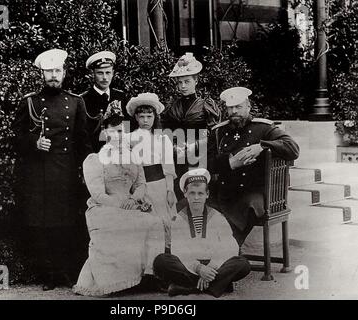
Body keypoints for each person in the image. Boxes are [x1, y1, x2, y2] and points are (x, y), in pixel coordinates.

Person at [13, 49, 92, 291]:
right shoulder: (30, 102)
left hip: (66, 171)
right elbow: (15, 137)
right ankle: (48, 273)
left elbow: (83, 140)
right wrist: (33, 143)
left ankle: (64, 272)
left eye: (58, 71)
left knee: (66, 222)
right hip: (39, 172)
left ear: (65, 73)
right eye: (49, 71)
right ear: (42, 74)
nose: (53, 76)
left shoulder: (76, 102)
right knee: (42, 224)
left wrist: (87, 170)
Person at [73, 103, 163, 297]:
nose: (120, 136)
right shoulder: (95, 159)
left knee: (154, 221)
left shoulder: (133, 157)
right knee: (123, 222)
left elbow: (141, 184)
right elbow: (97, 194)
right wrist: (121, 204)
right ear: (105, 133)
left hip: (131, 204)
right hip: (104, 207)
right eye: (115, 132)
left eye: (123, 132)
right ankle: (115, 281)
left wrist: (133, 199)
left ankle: (148, 276)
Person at [208, 87, 300, 247]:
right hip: (224, 190)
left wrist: (262, 146)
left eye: (238, 107)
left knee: (250, 205)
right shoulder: (218, 132)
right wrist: (230, 163)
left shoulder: (263, 128)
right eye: (230, 108)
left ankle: (228, 248)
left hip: (254, 191)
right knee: (198, 205)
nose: (234, 111)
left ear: (248, 107)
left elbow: (292, 148)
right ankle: (215, 251)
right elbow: (205, 162)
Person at [153, 168, 251, 298]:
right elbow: (178, 249)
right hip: (189, 266)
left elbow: (230, 246)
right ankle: (217, 285)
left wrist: (211, 268)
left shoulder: (217, 217)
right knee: (161, 261)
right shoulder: (178, 219)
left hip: (214, 266)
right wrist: (199, 268)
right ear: (185, 194)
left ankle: (187, 288)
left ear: (207, 194)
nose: (196, 198)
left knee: (243, 264)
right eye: (192, 193)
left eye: (200, 193)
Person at [161, 52, 220, 200]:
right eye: (179, 82)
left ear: (196, 81)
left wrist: (195, 146)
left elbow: (215, 134)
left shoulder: (206, 105)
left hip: (200, 157)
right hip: (176, 157)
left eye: (187, 81)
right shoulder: (172, 106)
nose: (182, 86)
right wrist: (174, 147)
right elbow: (165, 132)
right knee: (178, 193)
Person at [126, 92, 177, 254]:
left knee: (165, 222)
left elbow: (168, 167)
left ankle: (166, 260)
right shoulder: (129, 138)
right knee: (145, 223)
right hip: (140, 187)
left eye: (149, 116)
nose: (146, 120)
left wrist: (170, 190)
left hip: (160, 185)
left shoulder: (162, 138)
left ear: (155, 116)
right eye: (142, 116)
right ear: (136, 117)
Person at [80, 50, 130, 153]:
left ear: (113, 73)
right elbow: (82, 135)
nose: (104, 78)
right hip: (94, 155)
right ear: (92, 74)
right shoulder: (83, 100)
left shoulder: (120, 96)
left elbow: (128, 126)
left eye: (108, 72)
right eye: (100, 73)